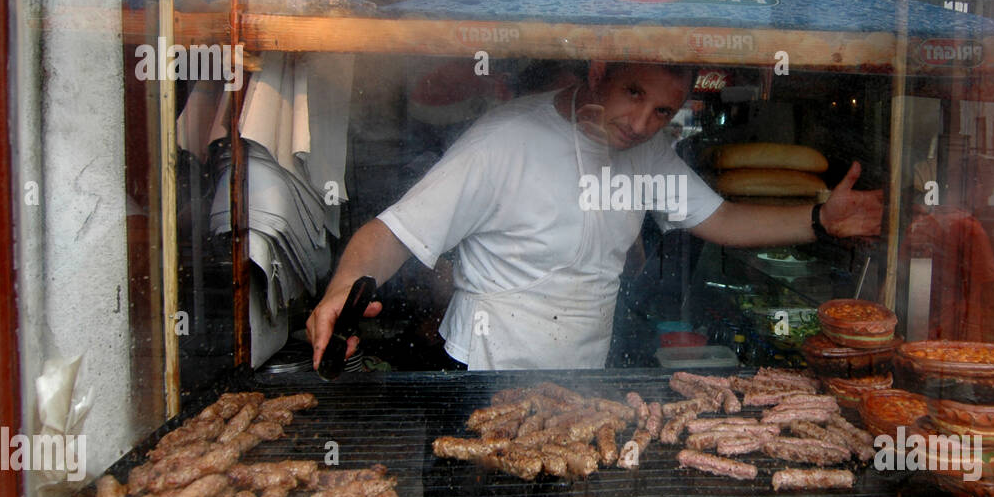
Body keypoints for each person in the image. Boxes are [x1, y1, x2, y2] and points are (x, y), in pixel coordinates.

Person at [307, 60, 883, 370]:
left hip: (581, 377)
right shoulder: (505, 141)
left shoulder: (649, 152)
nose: (641, 123)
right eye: (634, 94)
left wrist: (819, 220)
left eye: (662, 111)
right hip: (483, 370)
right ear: (599, 70)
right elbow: (393, 232)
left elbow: (721, 220)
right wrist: (339, 292)